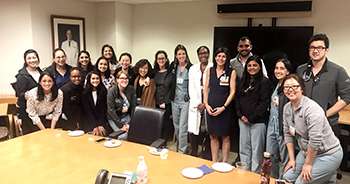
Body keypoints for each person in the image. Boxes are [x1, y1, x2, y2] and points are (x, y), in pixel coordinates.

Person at [282, 74, 343, 184]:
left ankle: (328, 173)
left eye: (294, 86)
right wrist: (292, 159)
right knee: (286, 177)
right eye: (286, 87)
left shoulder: (312, 109)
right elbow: (287, 134)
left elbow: (315, 140)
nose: (290, 90)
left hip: (328, 154)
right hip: (306, 151)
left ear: (301, 88)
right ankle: (327, 177)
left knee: (301, 182)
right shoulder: (287, 108)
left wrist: (308, 164)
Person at [296, 33, 350, 138]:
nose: (315, 51)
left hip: (327, 123)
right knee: (305, 153)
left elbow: (347, 96)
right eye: (312, 47)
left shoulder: (337, 71)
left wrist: (324, 114)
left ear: (326, 50)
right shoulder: (301, 69)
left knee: (325, 154)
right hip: (304, 123)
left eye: (320, 48)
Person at [236, 55, 272, 172]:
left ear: (260, 67)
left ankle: (254, 175)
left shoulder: (265, 82)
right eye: (249, 65)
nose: (252, 67)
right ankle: (244, 173)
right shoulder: (242, 80)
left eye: (255, 65)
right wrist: (240, 115)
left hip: (258, 121)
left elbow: (264, 103)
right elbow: (237, 99)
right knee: (244, 149)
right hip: (242, 120)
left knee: (257, 150)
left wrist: (251, 118)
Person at [203, 47, 236, 162]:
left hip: (224, 109)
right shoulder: (209, 70)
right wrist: (206, 104)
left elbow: (232, 91)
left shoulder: (231, 72)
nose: (220, 58)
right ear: (215, 57)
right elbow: (206, 88)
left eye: (223, 56)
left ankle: (225, 162)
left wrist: (224, 107)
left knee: (225, 136)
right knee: (213, 136)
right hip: (210, 107)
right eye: (218, 56)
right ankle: (214, 161)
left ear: (227, 58)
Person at [266, 58, 292, 179]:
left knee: (285, 159)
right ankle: (272, 179)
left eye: (282, 68)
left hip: (283, 128)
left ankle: (283, 180)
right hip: (272, 126)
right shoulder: (276, 84)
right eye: (277, 68)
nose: (278, 71)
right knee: (271, 156)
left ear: (287, 71)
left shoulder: (289, 86)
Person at [188, 46, 212, 157]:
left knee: (208, 130)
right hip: (196, 104)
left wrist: (206, 103)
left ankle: (207, 152)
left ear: (209, 54)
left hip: (209, 103)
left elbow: (214, 87)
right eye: (201, 53)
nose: (203, 55)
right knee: (194, 129)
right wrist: (198, 103)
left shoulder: (213, 67)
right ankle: (194, 151)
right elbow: (191, 88)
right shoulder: (193, 69)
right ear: (198, 55)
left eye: (205, 53)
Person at [11, 49, 43, 134]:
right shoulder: (21, 75)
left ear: (38, 59)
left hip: (40, 111)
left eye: (34, 57)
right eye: (29, 58)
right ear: (25, 60)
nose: (32, 60)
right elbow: (20, 95)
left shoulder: (42, 72)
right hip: (27, 112)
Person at [169, 44, 192, 153]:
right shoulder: (173, 67)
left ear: (186, 55)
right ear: (176, 56)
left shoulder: (191, 68)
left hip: (185, 102)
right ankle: (180, 147)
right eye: (179, 54)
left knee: (183, 127)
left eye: (183, 53)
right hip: (175, 100)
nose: (181, 56)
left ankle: (182, 151)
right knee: (176, 126)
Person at [107, 71, 137, 140]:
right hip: (114, 118)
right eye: (122, 78)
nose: (124, 80)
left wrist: (129, 124)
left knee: (133, 132)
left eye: (126, 78)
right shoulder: (111, 91)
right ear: (117, 80)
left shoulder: (131, 89)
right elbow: (111, 110)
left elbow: (133, 108)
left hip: (126, 116)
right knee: (122, 136)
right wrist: (121, 125)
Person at [153, 50, 175, 142]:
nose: (161, 60)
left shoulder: (171, 73)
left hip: (167, 102)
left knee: (165, 122)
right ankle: (157, 139)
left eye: (163, 58)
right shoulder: (154, 72)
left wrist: (164, 102)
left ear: (166, 59)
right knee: (157, 122)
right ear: (156, 60)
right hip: (156, 101)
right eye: (159, 58)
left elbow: (172, 88)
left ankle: (164, 141)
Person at [81, 71, 111, 136]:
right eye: (93, 78)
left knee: (103, 134)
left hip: (102, 121)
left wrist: (100, 125)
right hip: (89, 121)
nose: (95, 80)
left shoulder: (103, 91)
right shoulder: (85, 93)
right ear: (89, 80)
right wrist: (94, 126)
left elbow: (104, 109)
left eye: (97, 78)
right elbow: (88, 111)